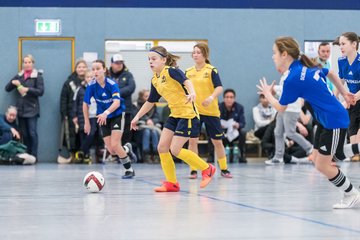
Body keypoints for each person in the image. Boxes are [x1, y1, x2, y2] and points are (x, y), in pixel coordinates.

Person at [257, 36, 360, 209]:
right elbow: (331, 73)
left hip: (333, 120)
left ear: (284, 54)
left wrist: (268, 94)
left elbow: (281, 108)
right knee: (327, 158)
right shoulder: (304, 67)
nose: (272, 57)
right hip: (325, 121)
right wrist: (344, 92)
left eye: (274, 53)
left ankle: (351, 193)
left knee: (323, 165)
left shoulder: (293, 78)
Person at [131, 46, 216, 192]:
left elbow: (187, 81)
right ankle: (172, 183)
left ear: (164, 60)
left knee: (175, 150)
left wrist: (192, 93)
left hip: (188, 114)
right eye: (149, 59)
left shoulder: (171, 71)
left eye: (154, 59)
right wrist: (137, 116)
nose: (150, 62)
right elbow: (150, 101)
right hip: (174, 115)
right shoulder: (155, 80)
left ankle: (207, 168)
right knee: (162, 147)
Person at [186, 43, 232, 179]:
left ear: (205, 55)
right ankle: (193, 170)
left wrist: (211, 97)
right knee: (192, 141)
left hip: (211, 112)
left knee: (217, 142)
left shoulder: (211, 70)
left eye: (198, 52)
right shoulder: (188, 72)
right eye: (194, 52)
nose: (195, 54)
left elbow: (219, 87)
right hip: (194, 112)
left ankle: (224, 168)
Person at [83, 60, 135, 179]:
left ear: (104, 70)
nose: (95, 71)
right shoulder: (91, 86)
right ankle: (127, 148)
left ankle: (129, 169)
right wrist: (87, 122)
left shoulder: (112, 84)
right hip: (103, 118)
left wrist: (106, 113)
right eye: (93, 69)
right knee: (112, 151)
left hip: (116, 114)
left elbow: (116, 102)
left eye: (98, 68)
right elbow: (85, 104)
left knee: (116, 145)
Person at [265, 71, 313, 165]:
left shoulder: (292, 73)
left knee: (290, 132)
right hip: (282, 107)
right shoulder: (284, 75)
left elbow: (287, 89)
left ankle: (309, 148)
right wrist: (273, 92)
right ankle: (278, 157)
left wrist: (273, 88)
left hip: (292, 109)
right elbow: (283, 93)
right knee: (278, 132)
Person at [5, 54, 44, 159]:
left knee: (32, 133)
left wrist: (27, 89)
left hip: (32, 109)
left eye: (29, 62)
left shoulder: (38, 76)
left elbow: (40, 92)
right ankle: (26, 155)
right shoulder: (20, 75)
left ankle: (34, 156)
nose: (27, 64)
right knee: (25, 134)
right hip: (21, 109)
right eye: (25, 62)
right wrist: (14, 82)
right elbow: (7, 88)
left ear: (33, 64)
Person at [338, 32, 360, 161]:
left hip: (357, 97)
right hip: (352, 101)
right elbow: (340, 82)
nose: (341, 47)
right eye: (340, 44)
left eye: (343, 44)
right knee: (352, 128)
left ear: (354, 44)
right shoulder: (341, 61)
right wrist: (334, 98)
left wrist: (354, 97)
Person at [60, 60, 88, 156]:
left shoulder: (91, 82)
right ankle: (73, 155)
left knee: (85, 135)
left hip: (87, 115)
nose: (81, 69)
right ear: (76, 69)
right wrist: (64, 114)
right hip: (72, 114)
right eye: (79, 67)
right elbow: (64, 99)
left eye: (84, 67)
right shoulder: (69, 83)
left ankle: (84, 154)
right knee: (72, 135)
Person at [108, 54, 136, 144]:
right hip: (111, 110)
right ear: (112, 64)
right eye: (116, 63)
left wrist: (116, 93)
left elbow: (131, 87)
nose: (119, 65)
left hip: (126, 109)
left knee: (126, 133)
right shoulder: (107, 76)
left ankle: (126, 154)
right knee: (112, 134)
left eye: (121, 62)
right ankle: (114, 155)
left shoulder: (128, 75)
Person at [219, 89, 247, 163]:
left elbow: (243, 123)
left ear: (234, 98)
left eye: (231, 97)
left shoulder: (239, 107)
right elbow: (215, 121)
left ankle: (242, 155)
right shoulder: (219, 107)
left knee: (243, 133)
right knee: (211, 132)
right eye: (227, 97)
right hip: (223, 131)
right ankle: (213, 156)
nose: (229, 99)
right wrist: (219, 125)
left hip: (234, 131)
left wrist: (238, 125)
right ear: (224, 98)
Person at [135, 89, 160, 163]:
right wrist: (147, 120)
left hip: (152, 126)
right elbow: (137, 116)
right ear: (141, 97)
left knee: (154, 132)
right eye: (146, 96)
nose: (148, 97)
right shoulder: (137, 105)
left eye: (149, 96)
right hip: (141, 128)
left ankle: (156, 154)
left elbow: (157, 117)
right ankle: (146, 154)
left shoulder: (153, 105)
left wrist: (152, 121)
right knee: (147, 132)